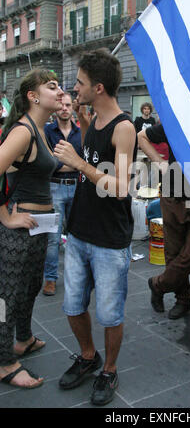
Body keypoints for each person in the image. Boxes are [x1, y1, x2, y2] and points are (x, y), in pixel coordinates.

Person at [53, 49, 137, 406]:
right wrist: (84, 130)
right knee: (72, 306)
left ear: (98, 88)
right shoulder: (92, 122)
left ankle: (110, 369)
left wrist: (76, 162)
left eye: (81, 83)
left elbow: (119, 187)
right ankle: (89, 357)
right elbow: (93, 159)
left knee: (109, 312)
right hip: (79, 232)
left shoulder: (124, 127)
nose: (75, 89)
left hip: (108, 240)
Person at [0, 68, 63, 389]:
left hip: (39, 225)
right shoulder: (23, 131)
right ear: (33, 96)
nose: (60, 90)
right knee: (6, 296)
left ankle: (22, 339)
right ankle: (4, 363)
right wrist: (6, 216)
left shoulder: (41, 129)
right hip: (19, 226)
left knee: (29, 287)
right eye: (52, 86)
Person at [138, 123, 190, 319]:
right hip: (172, 195)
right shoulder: (177, 118)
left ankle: (158, 285)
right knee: (173, 252)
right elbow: (141, 136)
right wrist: (160, 163)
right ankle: (183, 299)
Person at [42, 93, 82, 296]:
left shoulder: (80, 133)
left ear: (73, 107)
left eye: (68, 105)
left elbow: (84, 163)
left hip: (77, 186)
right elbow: (49, 163)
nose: (65, 108)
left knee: (77, 236)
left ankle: (77, 276)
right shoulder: (47, 131)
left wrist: (67, 164)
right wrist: (73, 163)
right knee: (52, 237)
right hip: (54, 187)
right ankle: (50, 278)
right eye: (61, 105)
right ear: (56, 108)